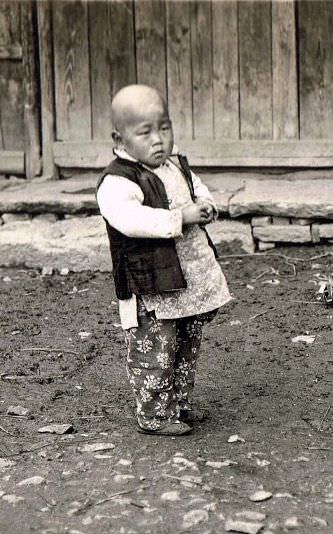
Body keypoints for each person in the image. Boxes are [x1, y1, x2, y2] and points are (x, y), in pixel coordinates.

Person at [96, 84, 232, 436]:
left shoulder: (176, 166)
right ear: (120, 137)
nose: (158, 140)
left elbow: (195, 188)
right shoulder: (118, 181)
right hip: (152, 286)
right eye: (145, 132)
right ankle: (154, 413)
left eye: (165, 128)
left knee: (186, 345)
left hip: (186, 280)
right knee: (155, 350)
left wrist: (204, 204)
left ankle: (180, 404)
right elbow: (130, 220)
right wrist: (179, 218)